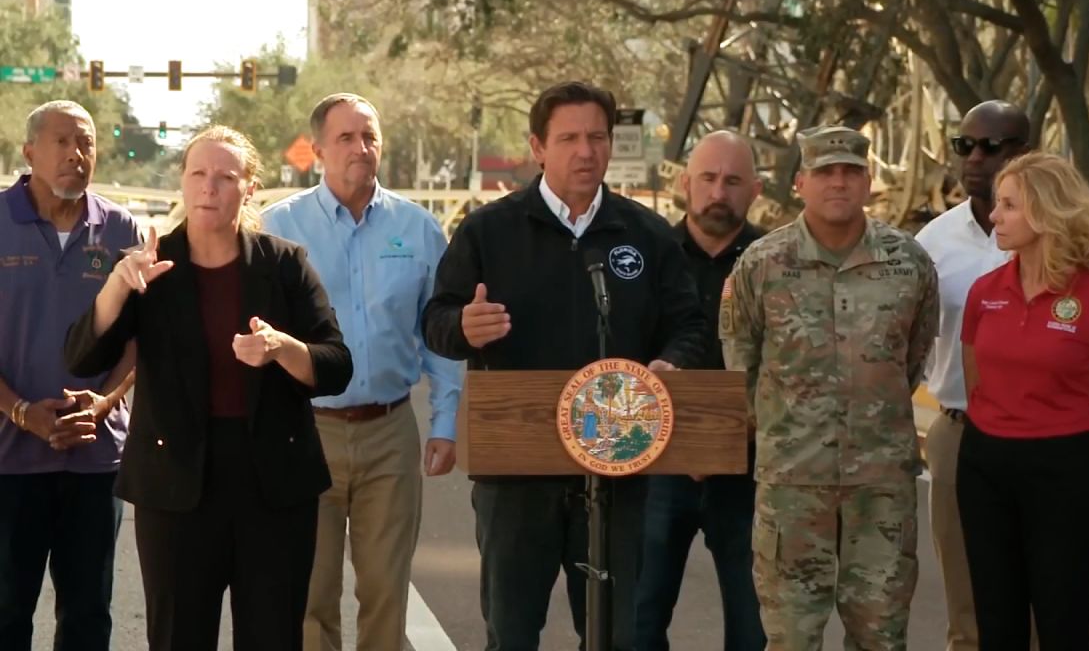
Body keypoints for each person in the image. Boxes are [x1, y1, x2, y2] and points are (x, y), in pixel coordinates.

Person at [423, 80, 705, 651]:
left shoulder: (644, 234)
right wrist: (463, 327)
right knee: (512, 630)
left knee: (614, 634)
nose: (586, 151)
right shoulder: (490, 231)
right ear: (538, 147)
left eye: (597, 137)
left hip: (620, 465)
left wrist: (672, 361)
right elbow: (437, 320)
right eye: (570, 138)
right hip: (516, 475)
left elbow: (691, 325)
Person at [64, 126, 353, 651]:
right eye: (198, 173)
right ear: (182, 182)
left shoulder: (284, 263)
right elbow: (82, 358)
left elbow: (335, 366)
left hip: (274, 484)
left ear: (249, 188)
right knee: (178, 637)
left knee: (272, 636)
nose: (209, 187)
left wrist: (281, 348)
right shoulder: (150, 266)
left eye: (225, 176)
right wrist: (116, 286)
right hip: (174, 485)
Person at [720, 125, 940, 651]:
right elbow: (741, 366)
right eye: (825, 172)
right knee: (792, 638)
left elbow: (912, 356)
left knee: (881, 636)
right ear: (800, 182)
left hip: (880, 487)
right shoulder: (761, 264)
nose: (838, 183)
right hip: (793, 486)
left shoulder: (908, 262)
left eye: (851, 172)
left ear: (868, 183)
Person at [262, 93, 463, 651]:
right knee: (309, 596)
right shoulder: (278, 228)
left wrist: (445, 423)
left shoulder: (419, 229)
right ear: (319, 149)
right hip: (304, 431)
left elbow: (441, 336)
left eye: (370, 136)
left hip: (389, 431)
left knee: (385, 593)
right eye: (346, 138)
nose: (361, 147)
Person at [957, 152, 1089, 651]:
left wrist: (1076, 470)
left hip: (1064, 470)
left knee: (1063, 624)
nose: (994, 216)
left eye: (1009, 205)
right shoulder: (983, 292)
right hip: (985, 467)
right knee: (997, 623)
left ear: (1047, 212)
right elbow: (979, 384)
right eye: (998, 204)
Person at [0, 101, 139, 651]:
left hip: (94, 460)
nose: (75, 155)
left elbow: (137, 343)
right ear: (29, 150)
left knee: (86, 617)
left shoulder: (120, 227)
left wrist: (103, 404)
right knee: (7, 615)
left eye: (85, 143)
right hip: (9, 459)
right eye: (61, 142)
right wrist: (19, 411)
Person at [635, 130, 765, 651]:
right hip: (659, 464)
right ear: (685, 183)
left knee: (755, 626)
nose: (719, 191)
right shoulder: (646, 257)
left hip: (752, 467)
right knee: (639, 622)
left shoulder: (773, 262)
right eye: (708, 178)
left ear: (754, 190)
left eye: (733, 181)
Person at [914, 100, 1029, 651]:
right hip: (960, 435)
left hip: (1041, 437)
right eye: (965, 145)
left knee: (1042, 607)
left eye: (992, 146)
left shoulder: (1060, 246)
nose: (975, 158)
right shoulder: (930, 247)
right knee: (968, 610)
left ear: (1023, 154)